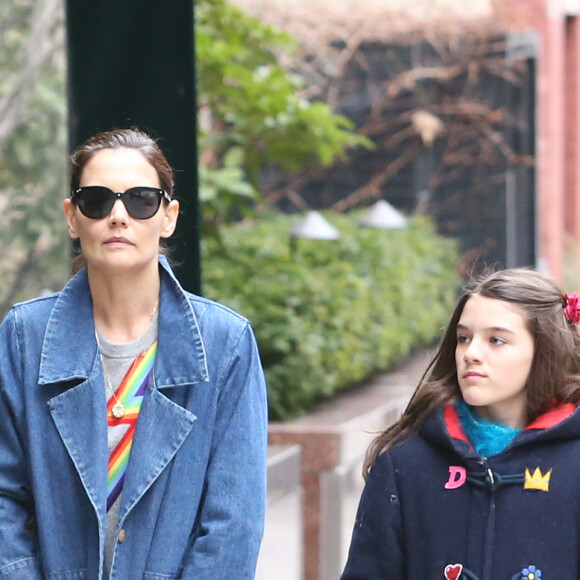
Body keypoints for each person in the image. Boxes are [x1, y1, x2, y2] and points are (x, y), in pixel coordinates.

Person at [0, 128, 268, 580]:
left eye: (141, 200)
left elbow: (233, 526)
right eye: (97, 200)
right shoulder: (25, 336)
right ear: (71, 217)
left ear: (169, 217)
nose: (118, 216)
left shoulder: (226, 343)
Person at [341, 268, 580, 580]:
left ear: (545, 350)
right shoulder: (405, 463)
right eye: (464, 338)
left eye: (496, 340)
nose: (471, 354)